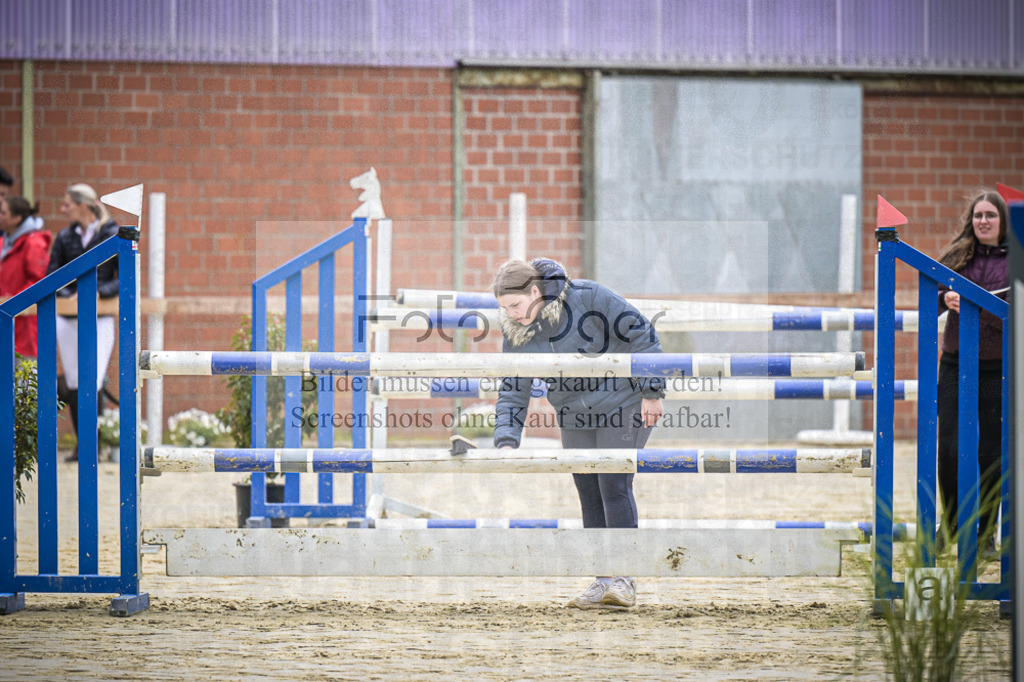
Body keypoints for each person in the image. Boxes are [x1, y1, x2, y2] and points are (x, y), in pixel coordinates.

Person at [491, 258, 664, 610]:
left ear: (535, 291)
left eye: (515, 305)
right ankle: (602, 582)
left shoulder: (587, 296)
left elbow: (641, 331)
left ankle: (624, 578)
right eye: (505, 309)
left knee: (613, 484)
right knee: (588, 492)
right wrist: (507, 436)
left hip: (625, 400)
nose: (512, 314)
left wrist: (652, 390)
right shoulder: (518, 333)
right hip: (574, 414)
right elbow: (513, 386)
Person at [936, 189, 1009, 553]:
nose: (983, 221)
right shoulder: (956, 254)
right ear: (971, 219)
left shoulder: (1017, 261)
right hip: (954, 365)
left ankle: (985, 533)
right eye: (978, 215)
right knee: (948, 448)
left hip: (998, 369)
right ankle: (948, 525)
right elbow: (929, 292)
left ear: (1001, 222)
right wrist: (943, 298)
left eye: (990, 215)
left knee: (991, 454)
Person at [47, 184, 120, 462]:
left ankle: (95, 442)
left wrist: (98, 292)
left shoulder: (111, 233)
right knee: (76, 381)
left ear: (83, 205)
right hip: (68, 317)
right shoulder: (65, 236)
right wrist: (70, 295)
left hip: (100, 316)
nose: (63, 210)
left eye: (67, 204)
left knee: (94, 378)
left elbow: (121, 276)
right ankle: (84, 444)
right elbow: (52, 274)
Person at [0, 196, 52, 357]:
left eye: (3, 212)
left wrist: (12, 302)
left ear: (17, 218)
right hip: (6, 320)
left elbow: (37, 283)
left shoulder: (33, 244)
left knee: (26, 378)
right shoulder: (3, 243)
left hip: (26, 326)